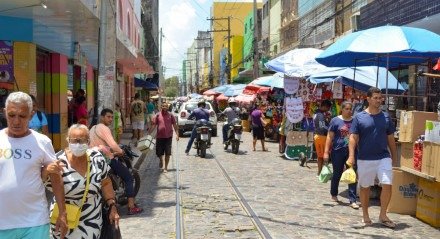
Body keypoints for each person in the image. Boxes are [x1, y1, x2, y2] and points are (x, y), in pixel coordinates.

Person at [0, 91, 67, 239]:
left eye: (22, 116)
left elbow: (56, 177)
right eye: (11, 115)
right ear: (5, 113)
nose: (16, 121)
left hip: (34, 221)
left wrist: (62, 212)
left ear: (31, 114)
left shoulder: (42, 142)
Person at [44, 124, 120, 238]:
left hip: (91, 220)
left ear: (88, 141)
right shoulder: (58, 161)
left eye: (82, 140)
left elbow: (106, 182)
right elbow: (44, 183)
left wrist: (112, 205)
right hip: (63, 218)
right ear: (68, 141)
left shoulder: (97, 158)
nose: (78, 144)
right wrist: (45, 171)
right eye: (74, 141)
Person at [347, 87, 397, 228]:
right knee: (364, 187)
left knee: (387, 184)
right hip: (365, 158)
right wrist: (351, 156)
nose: (378, 100)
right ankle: (365, 216)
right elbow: (353, 138)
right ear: (368, 99)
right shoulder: (359, 117)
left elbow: (391, 139)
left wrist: (394, 157)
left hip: (383, 157)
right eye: (375, 97)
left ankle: (383, 215)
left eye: (380, 98)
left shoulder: (386, 117)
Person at [90, 108, 143, 215]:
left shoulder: (93, 128)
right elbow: (113, 144)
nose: (110, 119)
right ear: (102, 117)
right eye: (108, 117)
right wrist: (120, 151)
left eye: (111, 117)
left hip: (93, 159)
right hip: (106, 159)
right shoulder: (104, 128)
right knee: (128, 177)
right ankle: (131, 207)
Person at [323, 101, 359, 209]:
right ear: (342, 109)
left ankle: (352, 199)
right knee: (337, 173)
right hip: (338, 150)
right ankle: (334, 194)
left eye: (350, 109)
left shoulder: (355, 121)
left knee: (352, 174)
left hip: (351, 151)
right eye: (347, 109)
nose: (349, 111)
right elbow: (330, 137)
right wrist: (326, 152)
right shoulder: (335, 121)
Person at [151, 103, 179, 172]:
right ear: (161, 107)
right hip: (159, 137)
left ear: (168, 107)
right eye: (163, 106)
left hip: (168, 137)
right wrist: (149, 133)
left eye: (166, 106)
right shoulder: (157, 115)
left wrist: (177, 134)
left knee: (168, 153)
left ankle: (166, 167)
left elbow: (175, 125)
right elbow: (154, 125)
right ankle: (161, 160)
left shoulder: (171, 115)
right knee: (159, 153)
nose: (164, 107)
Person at [313, 99, 332, 176]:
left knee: (320, 156)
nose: (328, 110)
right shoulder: (320, 115)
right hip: (322, 137)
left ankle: (320, 172)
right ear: (324, 106)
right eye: (328, 108)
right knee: (324, 155)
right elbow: (322, 127)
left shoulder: (316, 113)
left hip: (317, 136)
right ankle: (322, 172)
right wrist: (330, 130)